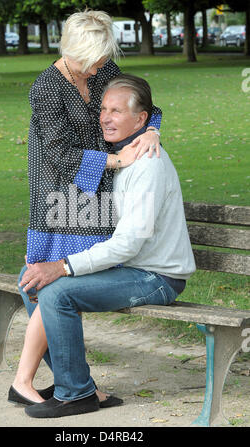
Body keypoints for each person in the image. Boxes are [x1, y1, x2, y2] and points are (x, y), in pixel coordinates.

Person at [11, 74, 196, 419]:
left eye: (116, 111)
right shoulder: (117, 156)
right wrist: (47, 254)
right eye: (103, 110)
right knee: (31, 279)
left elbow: (127, 244)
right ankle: (81, 385)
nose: (105, 118)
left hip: (155, 276)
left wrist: (63, 266)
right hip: (129, 267)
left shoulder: (148, 165)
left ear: (141, 120)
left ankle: (75, 394)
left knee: (56, 292)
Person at [18, 9, 163, 407]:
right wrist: (119, 160)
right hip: (59, 192)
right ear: (71, 49)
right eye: (93, 59)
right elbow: (60, 153)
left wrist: (151, 130)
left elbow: (146, 106)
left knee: (56, 286)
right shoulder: (46, 87)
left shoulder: (102, 68)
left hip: (97, 194)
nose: (99, 67)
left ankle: (63, 383)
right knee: (40, 284)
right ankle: (51, 381)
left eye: (103, 59)